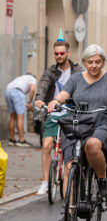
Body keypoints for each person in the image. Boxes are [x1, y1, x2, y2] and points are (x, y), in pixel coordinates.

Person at [48, 44, 107, 221]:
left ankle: (101, 179)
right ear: (84, 62)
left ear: (103, 62)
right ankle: (68, 213)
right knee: (69, 166)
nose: (94, 66)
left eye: (98, 62)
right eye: (90, 62)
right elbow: (64, 95)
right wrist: (55, 101)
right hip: (77, 125)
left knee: (91, 145)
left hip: (102, 125)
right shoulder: (75, 79)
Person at [34, 36, 83, 196]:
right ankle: (46, 182)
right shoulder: (51, 72)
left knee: (71, 148)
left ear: (68, 52)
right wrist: (39, 100)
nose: (59, 56)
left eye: (62, 53)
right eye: (56, 54)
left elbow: (84, 88)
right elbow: (42, 86)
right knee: (47, 145)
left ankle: (73, 177)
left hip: (71, 114)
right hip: (53, 113)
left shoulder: (77, 71)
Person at [5, 73, 37, 147]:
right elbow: (32, 89)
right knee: (20, 117)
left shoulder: (21, 77)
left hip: (8, 91)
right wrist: (30, 102)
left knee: (12, 117)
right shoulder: (32, 78)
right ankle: (21, 140)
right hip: (18, 93)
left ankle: (12, 139)